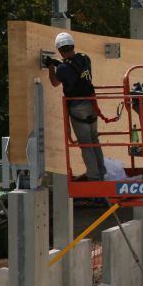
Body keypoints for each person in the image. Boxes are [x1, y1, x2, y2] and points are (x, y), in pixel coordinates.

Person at [45, 32, 106, 181]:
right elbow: (74, 69)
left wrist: (51, 66)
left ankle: (93, 175)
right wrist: (61, 64)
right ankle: (101, 171)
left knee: (85, 143)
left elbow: (55, 82)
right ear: (73, 45)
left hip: (77, 107)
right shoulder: (85, 58)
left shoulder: (63, 69)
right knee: (94, 139)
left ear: (59, 50)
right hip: (91, 104)